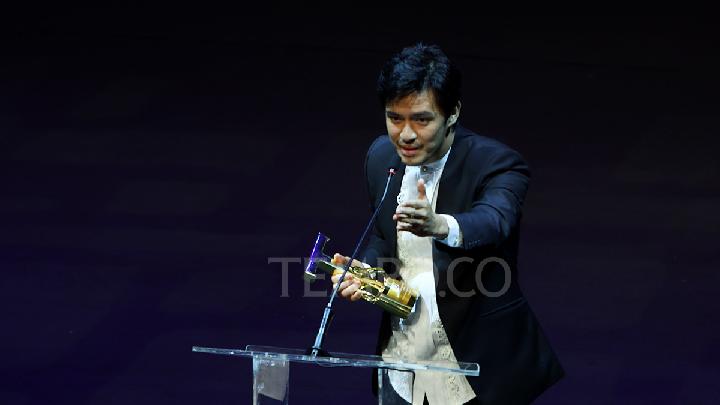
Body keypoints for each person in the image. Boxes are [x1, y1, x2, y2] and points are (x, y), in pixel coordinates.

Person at [331, 43, 563, 404]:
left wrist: (439, 225)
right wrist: (366, 271)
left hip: (474, 371)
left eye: (422, 120)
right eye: (395, 118)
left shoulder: (496, 162)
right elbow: (383, 236)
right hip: (401, 368)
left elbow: (495, 220)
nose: (406, 134)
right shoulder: (380, 157)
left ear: (452, 112)